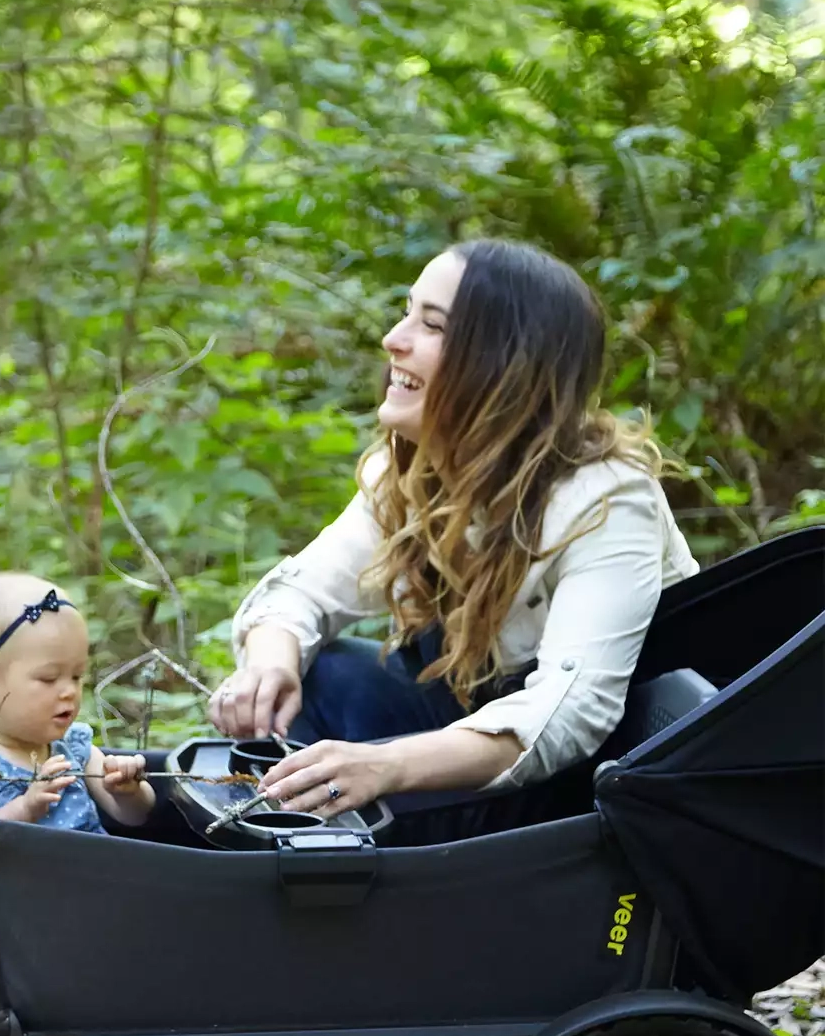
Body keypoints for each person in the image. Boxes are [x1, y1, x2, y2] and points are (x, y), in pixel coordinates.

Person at [210, 239, 698, 833]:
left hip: (594, 785)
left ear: (502, 363)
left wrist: (385, 766)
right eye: (406, 311)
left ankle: (364, 885)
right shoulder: (417, 471)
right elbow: (305, 591)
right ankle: (279, 855)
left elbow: (568, 713)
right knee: (323, 674)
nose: (394, 338)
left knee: (375, 774)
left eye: (431, 325)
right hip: (469, 717)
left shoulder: (607, 500)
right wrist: (269, 664)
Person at [0, 573, 156, 985]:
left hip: (87, 906)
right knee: (1, 978)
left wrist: (130, 787)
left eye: (77, 676)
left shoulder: (74, 746)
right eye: (49, 679)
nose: (68, 692)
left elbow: (135, 817)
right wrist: (24, 808)